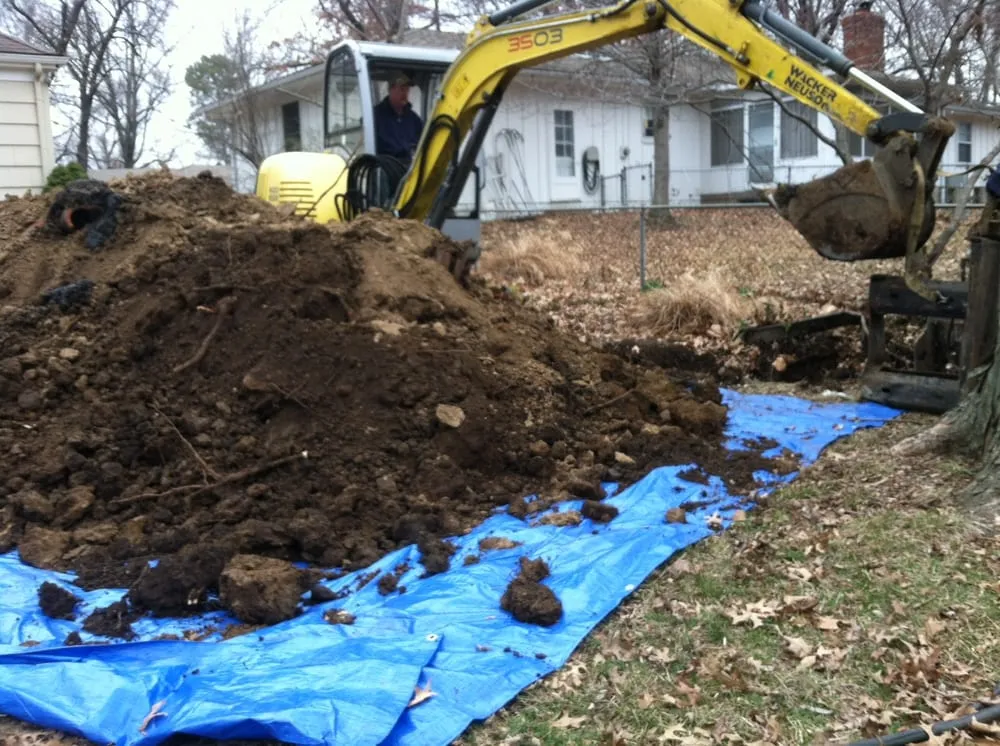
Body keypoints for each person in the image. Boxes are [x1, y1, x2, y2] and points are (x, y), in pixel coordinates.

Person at [373, 71, 424, 166]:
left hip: (408, 171)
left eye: (407, 90)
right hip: (384, 170)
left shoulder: (414, 119)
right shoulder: (375, 116)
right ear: (391, 89)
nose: (405, 93)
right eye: (402, 89)